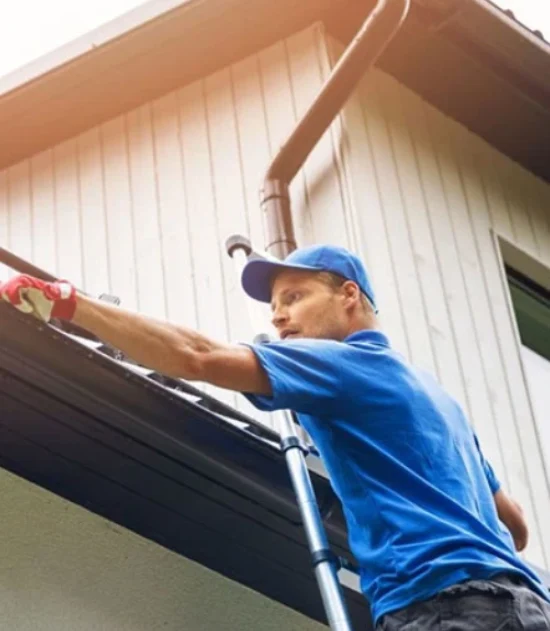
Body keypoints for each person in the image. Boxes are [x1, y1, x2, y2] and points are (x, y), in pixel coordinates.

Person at [1, 244, 549, 630]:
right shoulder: (440, 401)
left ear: (348, 296)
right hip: (523, 606)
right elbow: (517, 526)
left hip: (444, 610)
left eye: (294, 297)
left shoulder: (341, 365)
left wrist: (70, 304)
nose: (280, 317)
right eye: (273, 307)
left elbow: (199, 356)